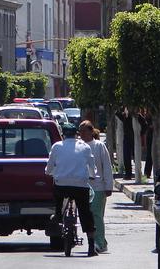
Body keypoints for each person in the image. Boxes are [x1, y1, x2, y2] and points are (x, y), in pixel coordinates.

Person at [45, 122, 97, 257]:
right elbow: (92, 166)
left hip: (61, 185)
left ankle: (57, 215)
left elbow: (49, 166)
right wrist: (92, 175)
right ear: (76, 134)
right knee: (86, 213)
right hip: (80, 185)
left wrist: (48, 172)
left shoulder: (57, 146)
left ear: (63, 135)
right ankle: (91, 246)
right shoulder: (85, 147)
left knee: (57, 196)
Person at [79, 120, 113, 254]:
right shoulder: (79, 146)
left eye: (83, 131)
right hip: (82, 186)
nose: (81, 134)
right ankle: (99, 241)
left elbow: (107, 166)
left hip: (98, 187)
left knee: (97, 215)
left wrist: (108, 185)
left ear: (91, 131)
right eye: (80, 131)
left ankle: (99, 243)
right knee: (87, 216)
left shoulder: (99, 146)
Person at [116, 107, 135, 179]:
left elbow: (144, 125)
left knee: (134, 156)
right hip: (127, 137)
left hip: (134, 138)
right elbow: (118, 114)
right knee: (126, 157)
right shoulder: (125, 117)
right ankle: (128, 174)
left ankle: (137, 173)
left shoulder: (136, 116)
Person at [138, 109, 154, 178]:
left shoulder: (154, 118)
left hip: (153, 138)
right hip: (150, 139)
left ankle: (147, 172)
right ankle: (147, 173)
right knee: (149, 156)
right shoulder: (147, 119)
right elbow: (145, 131)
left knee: (150, 156)